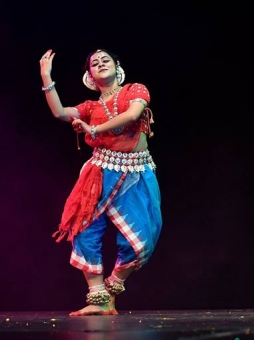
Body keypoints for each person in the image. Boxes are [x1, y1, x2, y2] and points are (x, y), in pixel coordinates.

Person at [39, 48, 162, 316]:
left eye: (106, 60)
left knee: (143, 238)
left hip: (137, 173)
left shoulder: (135, 90)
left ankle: (112, 288)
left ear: (118, 68)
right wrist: (46, 77)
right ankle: (98, 299)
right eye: (95, 63)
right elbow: (60, 113)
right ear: (90, 76)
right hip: (99, 173)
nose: (101, 63)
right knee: (83, 229)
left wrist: (93, 129)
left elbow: (132, 115)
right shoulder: (90, 107)